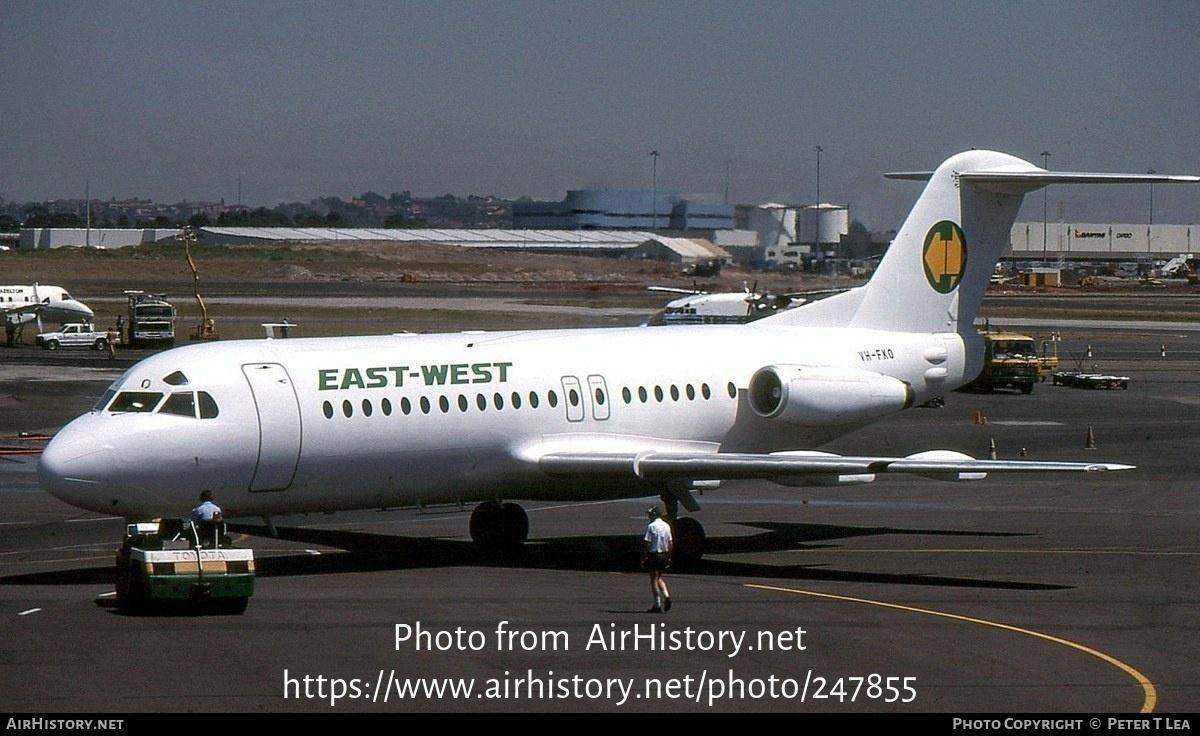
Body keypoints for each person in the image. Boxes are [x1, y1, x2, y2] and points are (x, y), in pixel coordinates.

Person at [642, 506, 673, 613]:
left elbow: (647, 542)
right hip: (664, 554)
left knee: (653, 580)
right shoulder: (667, 526)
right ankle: (667, 596)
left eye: (650, 514)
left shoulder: (651, 526)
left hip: (654, 554)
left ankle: (657, 604)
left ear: (654, 515)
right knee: (659, 577)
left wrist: (644, 556)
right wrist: (669, 556)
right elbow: (670, 543)